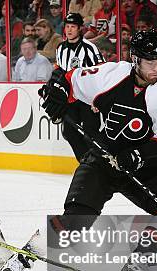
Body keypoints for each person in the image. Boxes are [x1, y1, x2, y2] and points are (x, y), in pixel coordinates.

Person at [0, 30, 157, 271]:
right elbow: (66, 81)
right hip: (103, 160)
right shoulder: (111, 75)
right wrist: (56, 93)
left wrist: (135, 156)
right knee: (74, 223)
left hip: (141, 167)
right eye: (150, 63)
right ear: (135, 60)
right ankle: (23, 257)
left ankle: (139, 262)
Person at [55, 12, 105, 161]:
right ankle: (85, 162)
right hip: (70, 98)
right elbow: (60, 71)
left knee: (91, 133)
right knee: (69, 132)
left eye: (73, 27)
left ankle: (98, 163)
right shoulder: (60, 49)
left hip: (88, 99)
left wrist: (99, 98)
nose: (69, 30)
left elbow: (102, 72)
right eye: (67, 26)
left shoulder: (90, 48)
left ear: (80, 29)